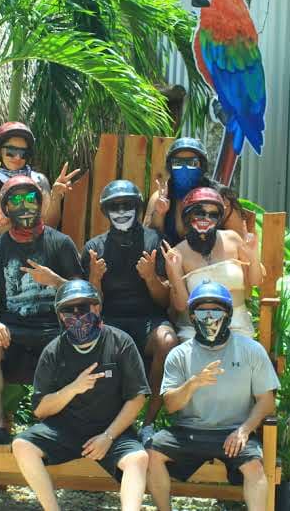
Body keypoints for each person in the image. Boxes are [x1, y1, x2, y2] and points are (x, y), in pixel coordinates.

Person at [11, 280, 151, 511]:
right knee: (22, 445)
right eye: (69, 309)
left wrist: (108, 436)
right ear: (60, 315)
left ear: (96, 308)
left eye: (83, 308)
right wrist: (73, 388)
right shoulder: (53, 351)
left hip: (111, 430)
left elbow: (137, 397)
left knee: (138, 459)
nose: (77, 316)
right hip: (65, 431)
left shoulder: (120, 342)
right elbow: (40, 409)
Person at [146, 283, 279, 511]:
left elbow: (267, 401)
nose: (209, 317)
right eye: (202, 311)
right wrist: (193, 383)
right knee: (151, 453)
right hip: (189, 431)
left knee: (255, 467)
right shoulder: (179, 354)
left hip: (235, 432)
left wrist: (244, 430)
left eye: (216, 310)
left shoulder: (251, 350)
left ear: (228, 314)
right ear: (192, 316)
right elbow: (171, 405)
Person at [0, 175, 83, 448]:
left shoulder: (60, 243)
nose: (25, 206)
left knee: (78, 347)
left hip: (55, 328)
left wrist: (55, 281)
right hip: (12, 329)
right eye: (17, 200)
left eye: (31, 198)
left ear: (40, 202)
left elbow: (82, 292)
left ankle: (60, 426)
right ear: (6, 208)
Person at [81, 180, 178, 443]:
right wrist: (95, 279)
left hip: (148, 320)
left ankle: (148, 423)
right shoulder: (94, 248)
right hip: (110, 321)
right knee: (89, 339)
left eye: (127, 205)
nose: (122, 211)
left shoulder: (155, 241)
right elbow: (91, 307)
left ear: (137, 207)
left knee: (167, 341)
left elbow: (165, 301)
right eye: (115, 206)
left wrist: (150, 277)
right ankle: (104, 425)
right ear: (106, 211)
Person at [161, 187, 263, 341]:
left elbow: (255, 281)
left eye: (213, 214)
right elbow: (181, 306)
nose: (206, 218)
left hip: (237, 325)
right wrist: (174, 272)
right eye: (200, 213)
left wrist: (253, 256)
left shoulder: (233, 239)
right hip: (196, 329)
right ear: (188, 215)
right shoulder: (177, 254)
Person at [0, 121, 79, 248]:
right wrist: (11, 250)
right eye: (11, 151)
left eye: (23, 153)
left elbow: (50, 225)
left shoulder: (39, 181)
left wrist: (56, 196)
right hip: (0, 254)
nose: (17, 157)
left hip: (37, 253)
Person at [144, 137, 244, 244]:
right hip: (170, 253)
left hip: (211, 254)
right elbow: (149, 239)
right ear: (170, 167)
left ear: (202, 166)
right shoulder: (160, 197)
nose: (184, 168)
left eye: (192, 163)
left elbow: (239, 241)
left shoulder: (220, 197)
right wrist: (159, 214)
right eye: (177, 163)